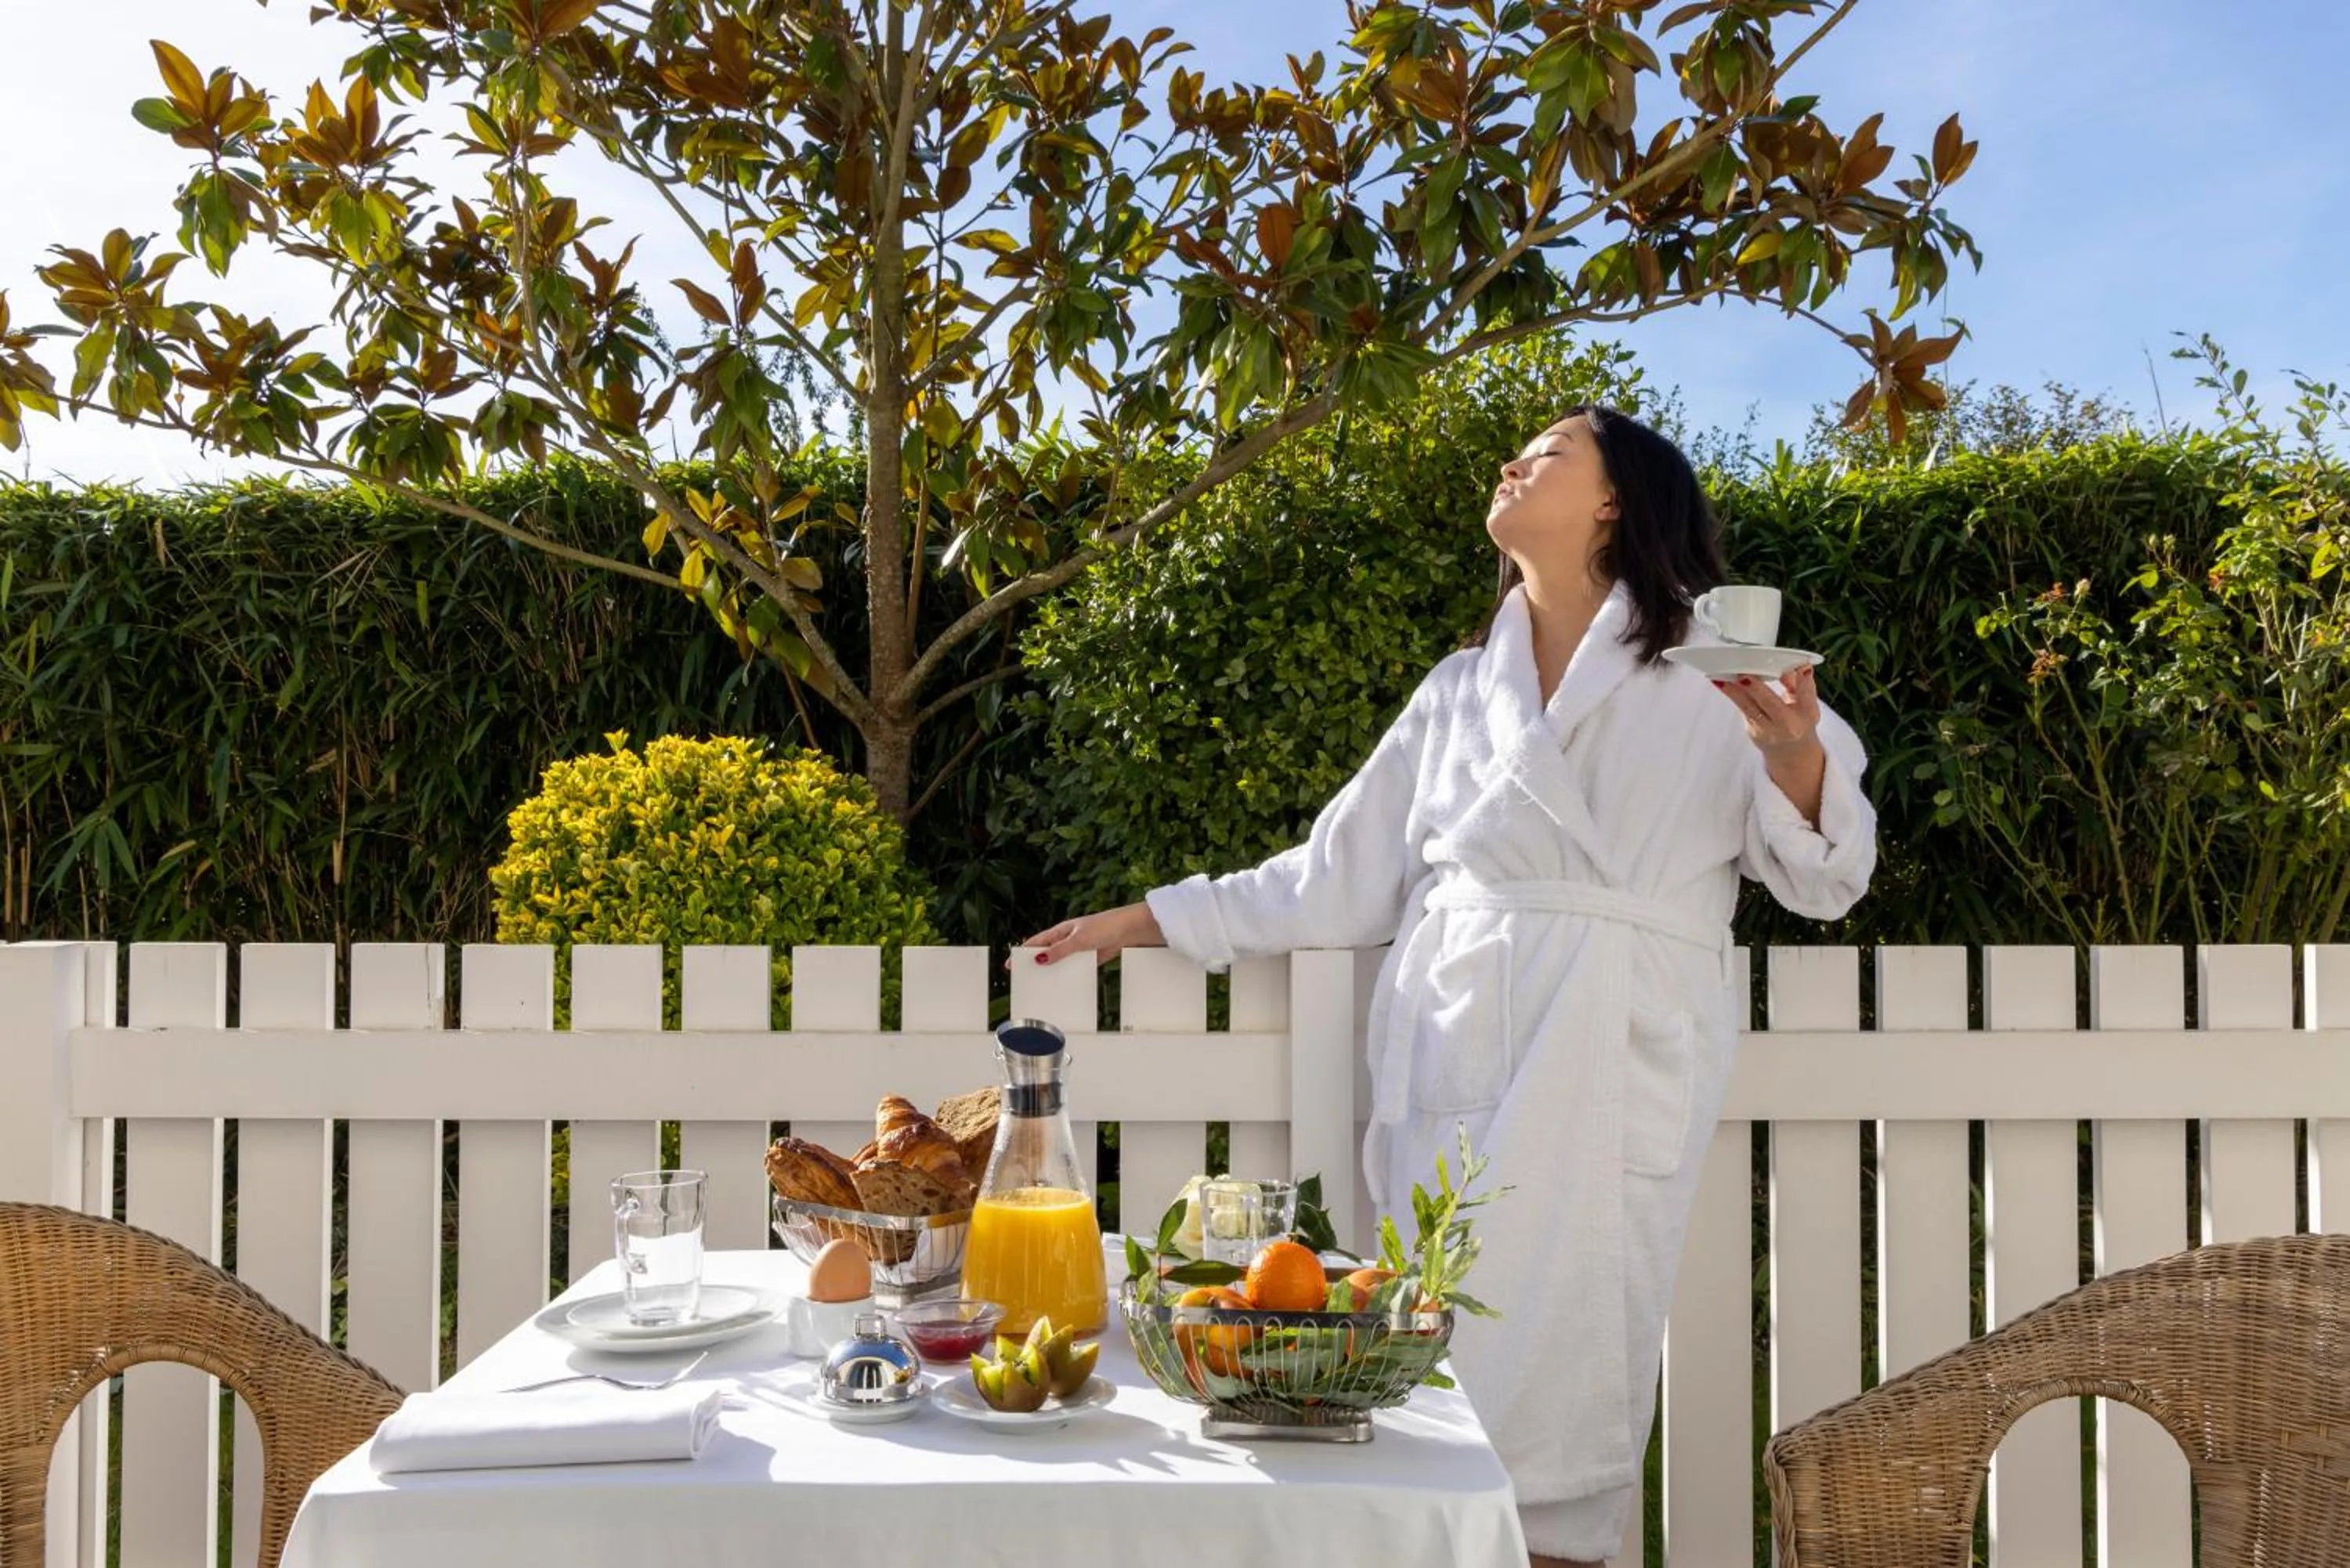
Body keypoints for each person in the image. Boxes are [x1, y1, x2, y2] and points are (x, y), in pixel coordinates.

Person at [1021, 405, 1875, 1568]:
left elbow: (1829, 877)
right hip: (1458, 1065)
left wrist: (1792, 754)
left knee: (1570, 1412)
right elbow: (1332, 879)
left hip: (1609, 1072)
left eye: (1552, 451)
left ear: (1615, 499)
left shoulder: (1715, 683)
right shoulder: (1460, 691)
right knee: (1428, 1402)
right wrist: (1149, 917)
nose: (1513, 462)